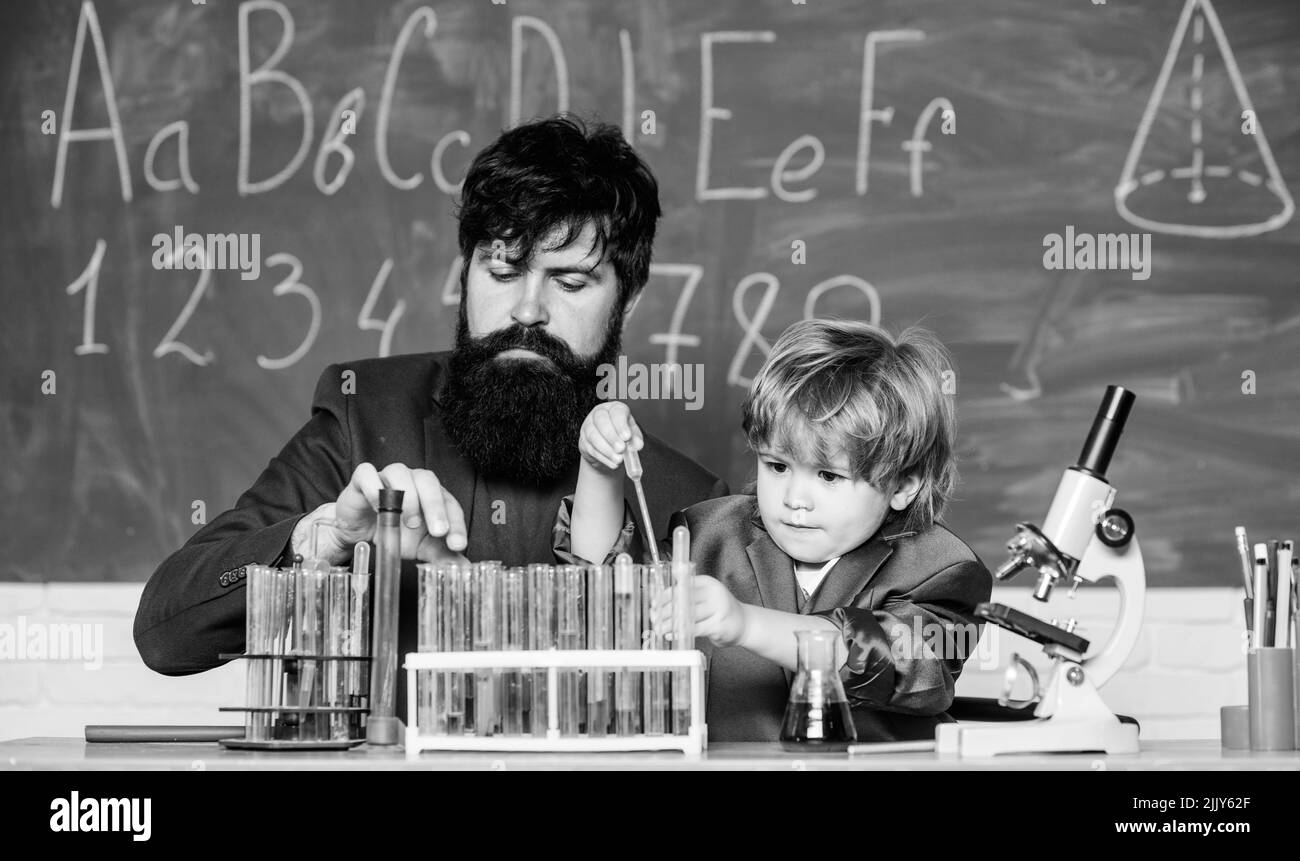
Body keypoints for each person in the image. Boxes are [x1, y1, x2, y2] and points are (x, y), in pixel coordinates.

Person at [134, 116, 728, 718]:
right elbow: (165, 634)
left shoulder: (688, 499)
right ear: (465, 271)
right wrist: (324, 541)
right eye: (501, 272)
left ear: (627, 299)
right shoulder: (363, 412)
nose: (527, 309)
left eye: (570, 283)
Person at [562, 318, 992, 742]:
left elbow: (894, 658)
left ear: (902, 485)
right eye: (777, 466)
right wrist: (599, 469)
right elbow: (605, 588)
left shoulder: (941, 569)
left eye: (828, 476)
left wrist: (745, 624)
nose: (794, 498)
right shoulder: (709, 534)